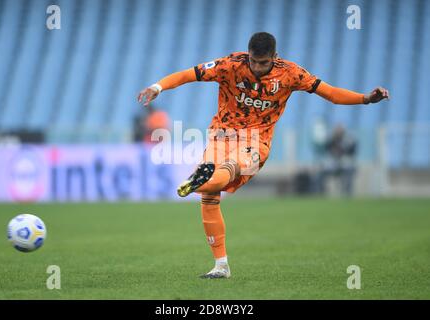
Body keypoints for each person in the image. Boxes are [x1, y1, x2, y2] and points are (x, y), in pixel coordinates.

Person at [137, 32, 389, 279]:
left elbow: (331, 94)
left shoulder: (291, 73)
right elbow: (189, 75)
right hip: (222, 135)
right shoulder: (230, 65)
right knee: (210, 194)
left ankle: (199, 180)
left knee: (227, 170)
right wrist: (158, 86)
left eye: (263, 62)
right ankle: (220, 266)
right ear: (248, 55)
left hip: (257, 142)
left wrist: (365, 99)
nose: (257, 67)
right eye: (253, 61)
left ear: (274, 57)